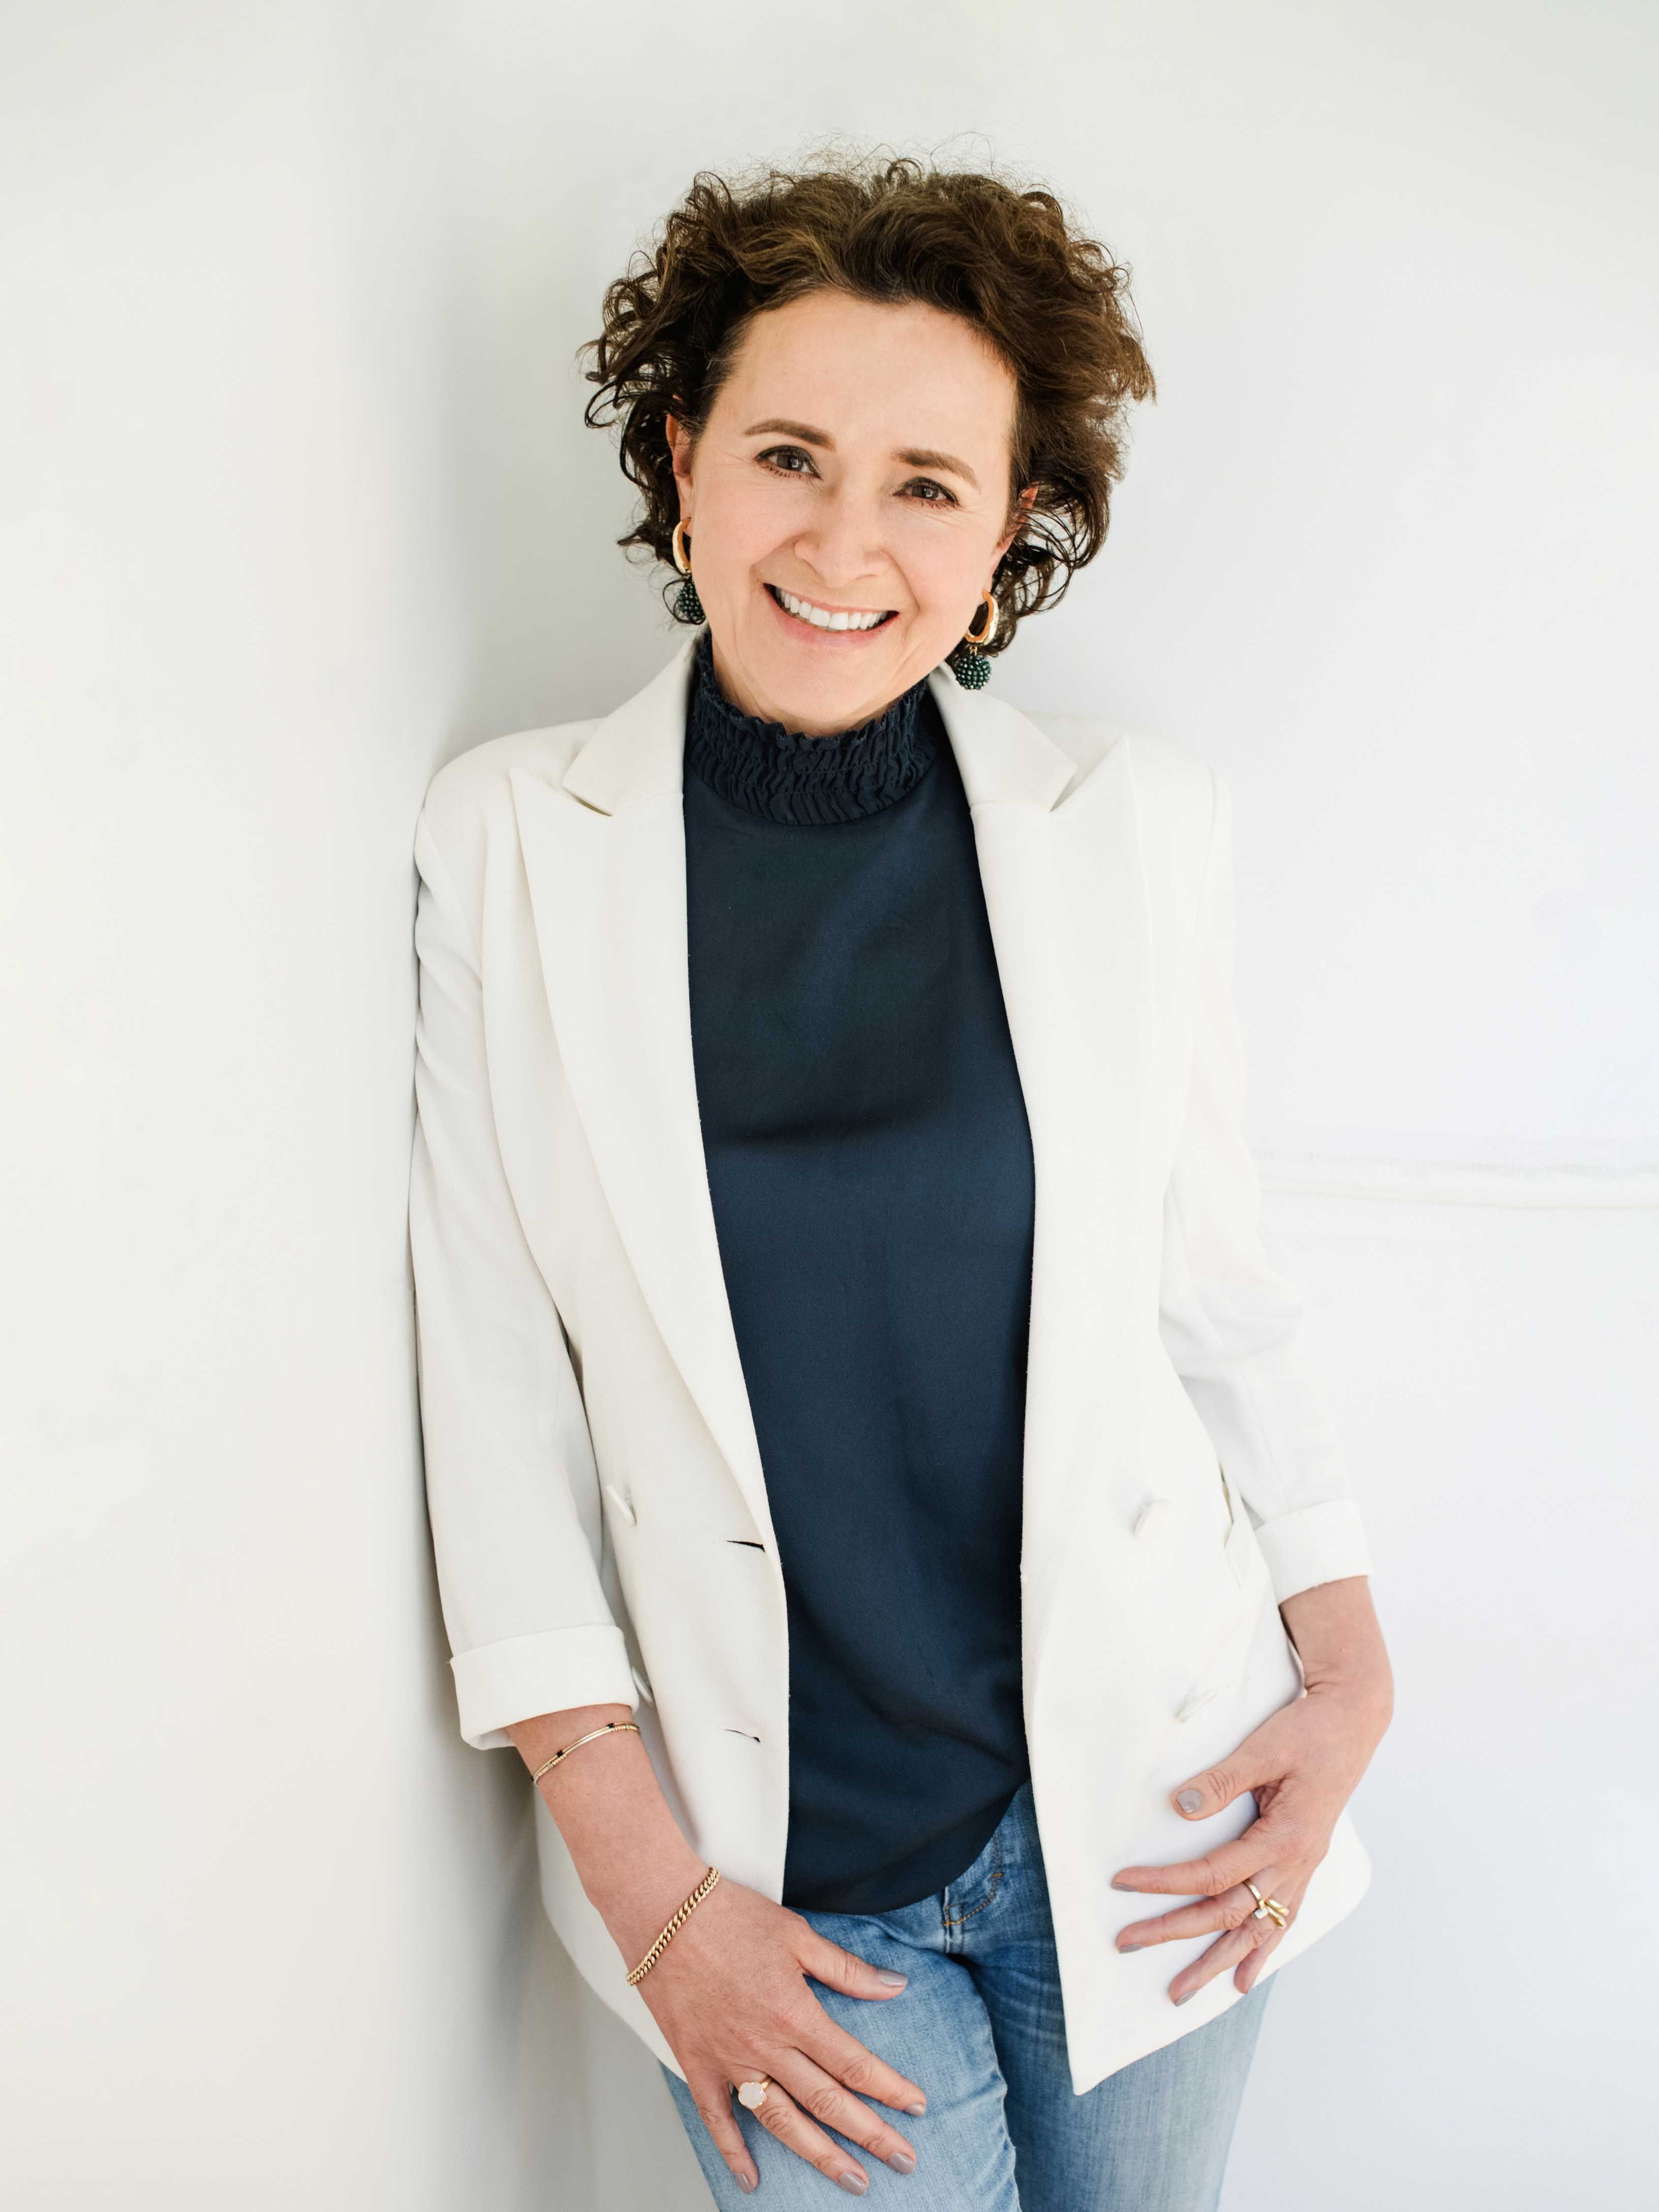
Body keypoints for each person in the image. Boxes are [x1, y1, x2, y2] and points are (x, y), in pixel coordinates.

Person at [408, 152, 1394, 2209]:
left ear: (1009, 528)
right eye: (787, 455)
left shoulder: (1134, 824)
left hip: (1159, 1801)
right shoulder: (511, 840)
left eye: (926, 485)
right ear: (681, 463)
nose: (844, 541)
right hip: (775, 1867)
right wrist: (653, 1897)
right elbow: (491, 1395)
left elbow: (1213, 1284)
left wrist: (1350, 1669)